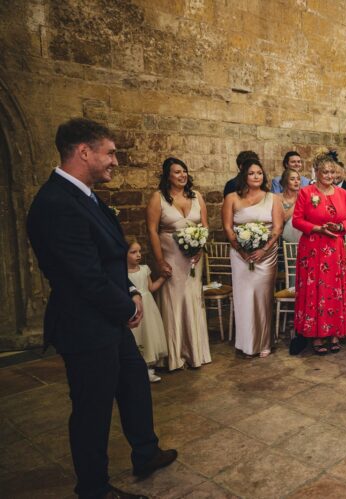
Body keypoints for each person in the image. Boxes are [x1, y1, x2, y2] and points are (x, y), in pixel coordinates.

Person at [27, 118, 176, 499]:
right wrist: (126, 305)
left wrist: (132, 289)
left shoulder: (88, 197)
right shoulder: (56, 203)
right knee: (92, 410)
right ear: (84, 152)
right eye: (109, 153)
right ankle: (93, 488)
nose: (114, 161)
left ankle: (145, 452)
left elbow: (109, 259)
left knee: (134, 385)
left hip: (109, 318)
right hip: (85, 325)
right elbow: (83, 276)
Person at [146, 157, 212, 371]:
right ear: (167, 176)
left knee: (193, 299)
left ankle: (195, 352)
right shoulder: (158, 198)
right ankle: (174, 355)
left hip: (193, 259)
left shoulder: (197, 196)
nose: (182, 175)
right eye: (177, 172)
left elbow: (204, 225)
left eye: (184, 171)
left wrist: (200, 247)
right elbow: (152, 231)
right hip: (171, 257)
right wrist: (159, 260)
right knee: (173, 302)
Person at [293, 151, 346, 355]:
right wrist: (317, 228)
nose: (329, 176)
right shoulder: (306, 193)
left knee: (334, 290)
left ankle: (334, 334)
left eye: (332, 172)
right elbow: (297, 220)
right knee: (316, 291)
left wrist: (340, 227)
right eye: (325, 172)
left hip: (335, 249)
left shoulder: (343, 194)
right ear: (316, 172)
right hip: (312, 248)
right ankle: (316, 335)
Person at [222, 157, 283, 358]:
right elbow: (228, 227)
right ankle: (246, 343)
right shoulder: (231, 198)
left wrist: (264, 249)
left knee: (262, 297)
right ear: (244, 176)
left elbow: (277, 227)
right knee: (243, 298)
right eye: (251, 173)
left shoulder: (273, 198)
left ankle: (264, 341)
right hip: (241, 255)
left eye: (259, 173)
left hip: (266, 255)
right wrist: (240, 250)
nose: (256, 176)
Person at [126, 239, 168, 382]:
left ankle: (150, 369)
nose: (138, 255)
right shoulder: (122, 273)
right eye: (133, 252)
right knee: (137, 336)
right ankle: (135, 369)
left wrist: (163, 278)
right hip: (134, 308)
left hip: (148, 307)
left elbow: (151, 288)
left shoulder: (144, 269)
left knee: (149, 334)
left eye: (139, 251)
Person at [279, 168, 303, 243]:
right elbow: (283, 218)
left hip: (301, 237)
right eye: (292, 179)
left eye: (298, 179)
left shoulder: (304, 197)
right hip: (282, 238)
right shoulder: (278, 198)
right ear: (286, 181)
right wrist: (298, 202)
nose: (296, 182)